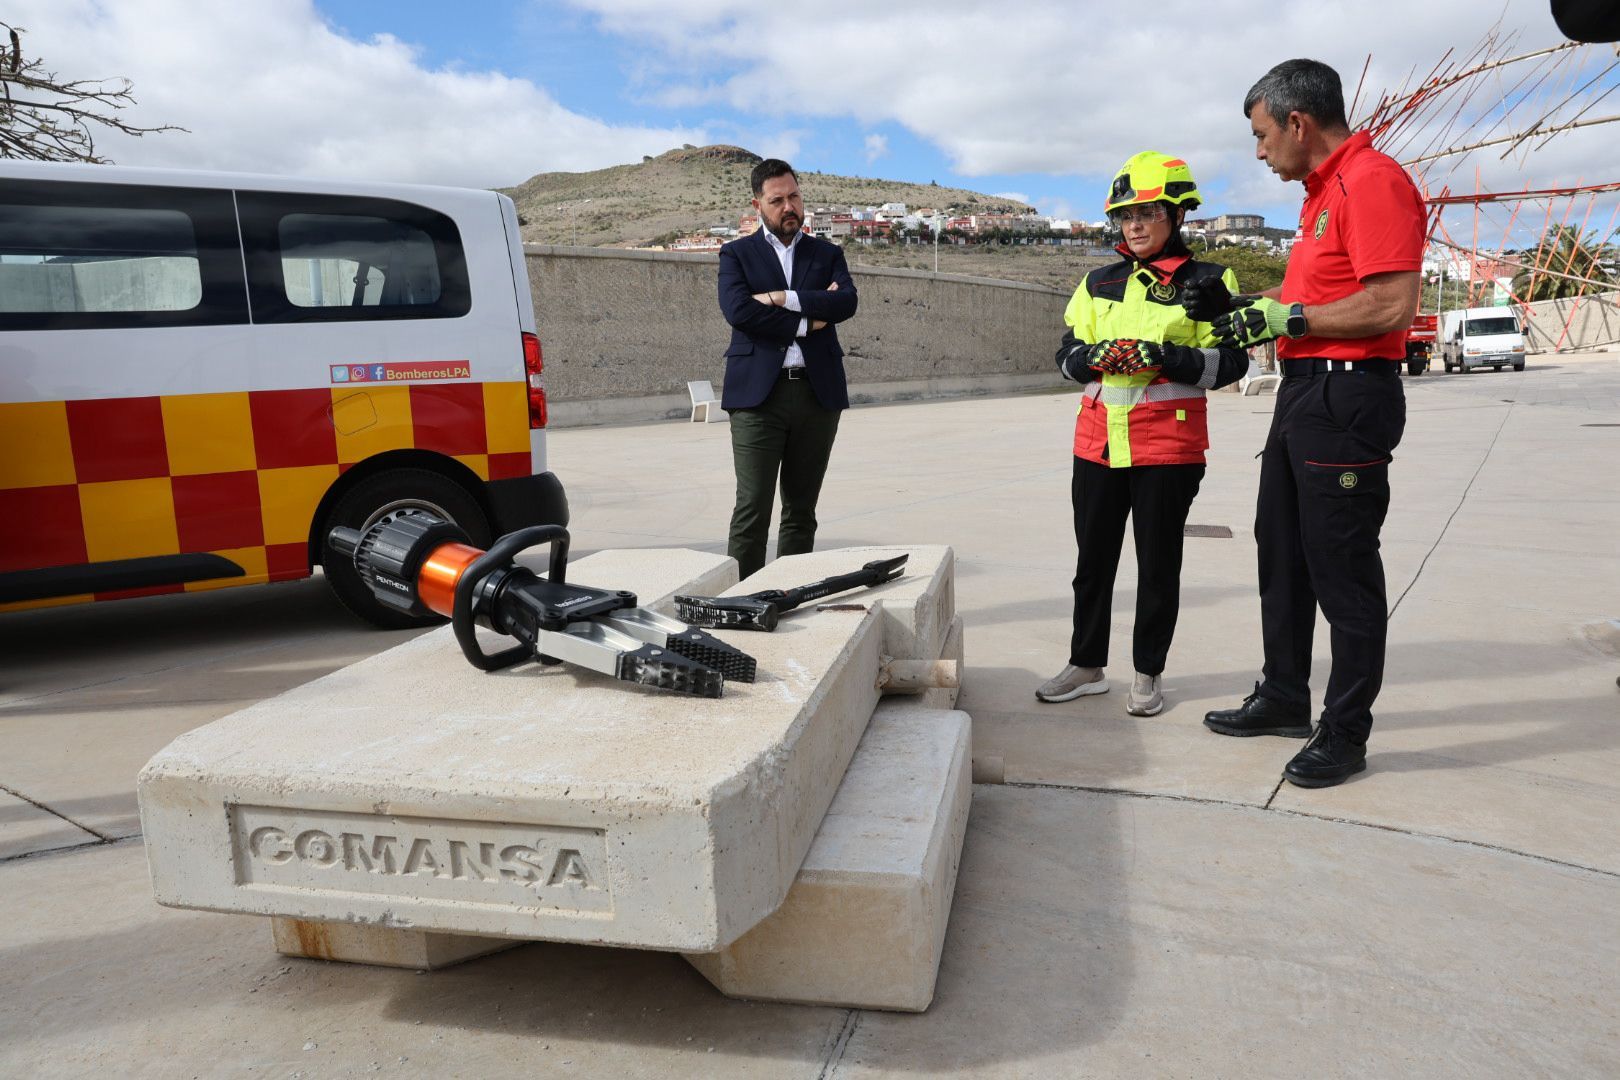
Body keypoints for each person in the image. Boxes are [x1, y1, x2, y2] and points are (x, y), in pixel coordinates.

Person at [1199, 59, 1426, 788]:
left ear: (1298, 122)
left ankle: (1346, 730)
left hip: (1347, 395)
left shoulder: (1373, 182)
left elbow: (1390, 304)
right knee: (1284, 552)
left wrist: (1289, 315)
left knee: (1342, 569)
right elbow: (1312, 295)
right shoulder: (1320, 195)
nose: (1260, 152)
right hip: (1303, 393)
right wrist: (1244, 304)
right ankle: (1284, 694)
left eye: (1263, 136)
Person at [1036, 152, 1249, 716]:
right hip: (1098, 444)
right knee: (1093, 563)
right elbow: (1064, 356)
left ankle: (1147, 673)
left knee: (1158, 566)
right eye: (1126, 214)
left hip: (1168, 448)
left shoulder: (1208, 282)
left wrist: (1167, 356)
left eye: (1148, 211)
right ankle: (1086, 665)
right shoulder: (1097, 281)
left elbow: (1231, 365)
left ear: (1176, 214)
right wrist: (1091, 357)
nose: (1134, 224)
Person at [717, 158, 858, 579]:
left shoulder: (827, 253)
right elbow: (739, 311)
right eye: (777, 200)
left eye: (794, 196)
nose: (789, 207)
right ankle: (741, 603)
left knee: (801, 510)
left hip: (817, 396)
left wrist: (781, 297)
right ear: (757, 204)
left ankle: (791, 594)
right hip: (758, 398)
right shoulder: (736, 254)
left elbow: (845, 303)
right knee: (752, 508)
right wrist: (809, 318)